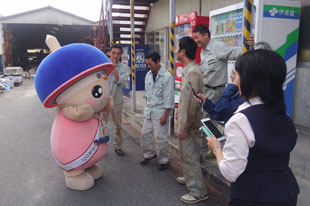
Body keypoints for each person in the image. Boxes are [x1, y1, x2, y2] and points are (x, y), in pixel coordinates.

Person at [207, 49, 299, 206]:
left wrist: (217, 149)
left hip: (252, 196)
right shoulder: (285, 117)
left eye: (238, 74)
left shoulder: (241, 120)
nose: (235, 80)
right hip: (287, 193)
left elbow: (230, 172)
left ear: (251, 80)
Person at [175, 36, 209, 204]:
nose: (175, 51)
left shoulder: (193, 72)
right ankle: (189, 177)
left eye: (177, 48)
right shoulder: (190, 69)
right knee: (187, 153)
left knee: (190, 156)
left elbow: (190, 105)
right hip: (189, 123)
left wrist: (183, 127)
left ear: (183, 52)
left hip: (190, 125)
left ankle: (198, 191)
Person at [140, 51, 174, 171]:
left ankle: (164, 160)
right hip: (149, 110)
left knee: (160, 137)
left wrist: (165, 114)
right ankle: (148, 154)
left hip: (160, 111)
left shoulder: (167, 77)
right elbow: (148, 94)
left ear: (158, 62)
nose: (149, 67)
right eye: (147, 64)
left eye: (151, 64)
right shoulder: (148, 75)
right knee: (145, 133)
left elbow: (169, 97)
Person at [109, 44, 131, 156]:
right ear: (110, 53)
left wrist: (113, 69)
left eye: (118, 53)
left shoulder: (124, 68)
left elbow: (121, 80)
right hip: (102, 101)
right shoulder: (102, 65)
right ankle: (97, 147)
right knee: (99, 125)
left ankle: (117, 146)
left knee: (118, 125)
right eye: (113, 53)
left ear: (121, 55)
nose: (115, 55)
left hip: (116, 101)